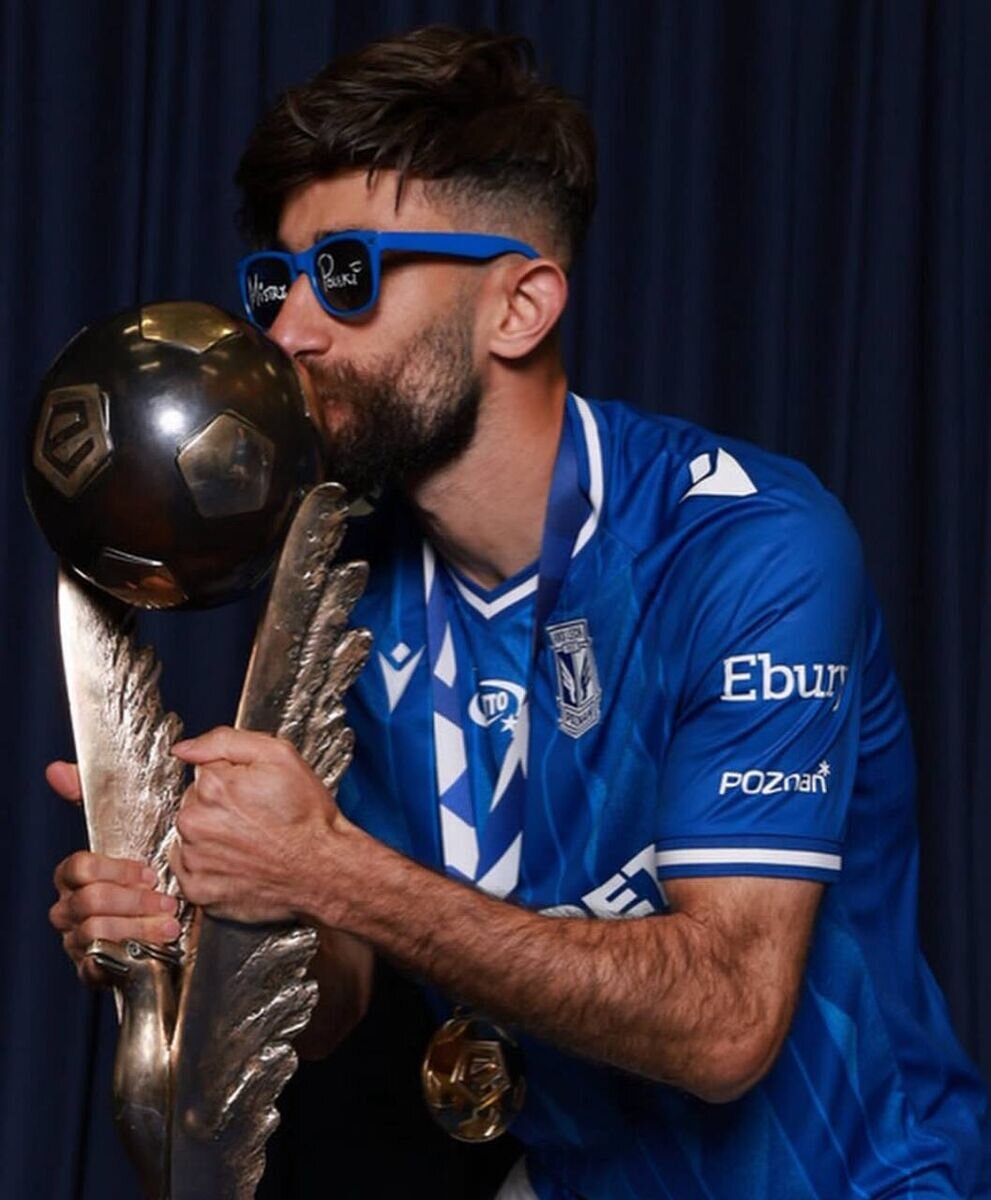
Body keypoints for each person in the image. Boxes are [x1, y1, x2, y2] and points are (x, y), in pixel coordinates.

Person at [47, 25, 990, 1200]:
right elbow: (336, 995)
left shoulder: (749, 549)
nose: (287, 331)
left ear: (520, 306)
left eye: (347, 272)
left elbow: (726, 1023)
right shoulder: (347, 580)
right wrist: (208, 910)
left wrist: (330, 869)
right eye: (278, 281)